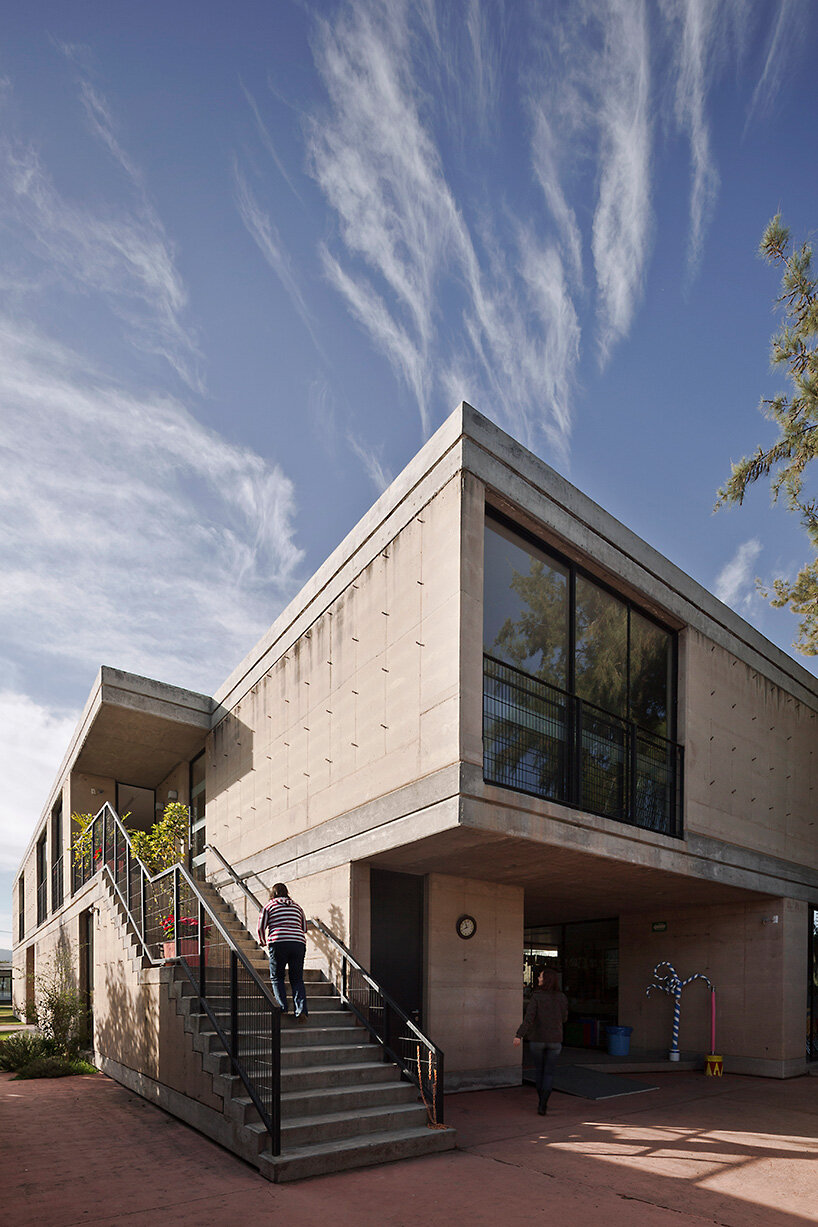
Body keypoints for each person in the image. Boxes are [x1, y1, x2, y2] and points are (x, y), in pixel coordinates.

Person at [513, 967, 568, 1115]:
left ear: (546, 980)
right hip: (555, 1040)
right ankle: (543, 1104)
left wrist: (519, 1035)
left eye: (540, 977)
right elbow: (564, 1018)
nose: (538, 978)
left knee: (540, 1072)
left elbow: (529, 1019)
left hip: (538, 1040)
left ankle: (541, 1102)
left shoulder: (537, 996)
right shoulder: (561, 997)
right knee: (549, 1073)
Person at [257, 882, 308, 1021]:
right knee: (297, 978)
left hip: (278, 942)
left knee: (277, 976)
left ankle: (282, 1007)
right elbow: (304, 927)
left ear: (273, 893)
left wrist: (262, 940)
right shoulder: (297, 907)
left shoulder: (269, 906)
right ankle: (301, 1009)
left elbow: (261, 927)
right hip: (298, 942)